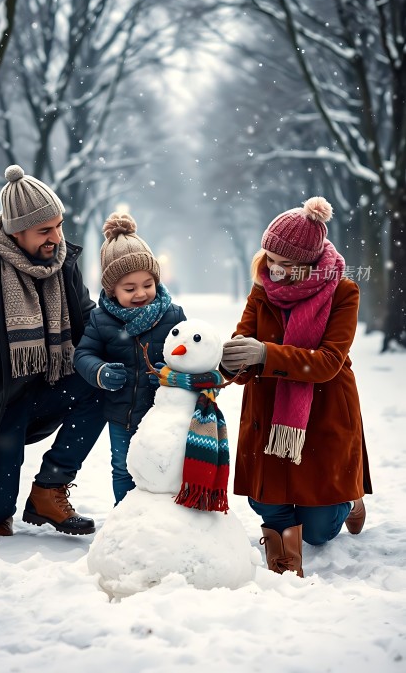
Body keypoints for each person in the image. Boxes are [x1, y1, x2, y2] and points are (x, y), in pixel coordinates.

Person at [220, 196, 372, 577]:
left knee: (319, 531)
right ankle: (281, 550)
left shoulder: (343, 292)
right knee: (267, 505)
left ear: (310, 262)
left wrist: (265, 355)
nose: (274, 269)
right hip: (269, 410)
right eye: (269, 258)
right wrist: (231, 360)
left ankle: (348, 501)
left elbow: (327, 362)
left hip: (322, 408)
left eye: (286, 263)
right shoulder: (262, 287)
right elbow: (245, 338)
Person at [0, 165, 103, 538]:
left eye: (58, 225)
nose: (57, 237)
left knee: (106, 380)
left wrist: (138, 339)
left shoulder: (61, 264)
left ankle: (49, 488)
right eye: (45, 230)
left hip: (42, 390)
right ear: (15, 231)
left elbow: (89, 324)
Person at [71, 212, 186, 505]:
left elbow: (191, 353)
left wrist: (174, 370)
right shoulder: (101, 319)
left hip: (165, 413)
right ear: (112, 289)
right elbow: (83, 354)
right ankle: (125, 515)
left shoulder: (173, 315)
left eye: (147, 284)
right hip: (122, 413)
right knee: (123, 467)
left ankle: (164, 519)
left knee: (166, 468)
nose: (141, 294)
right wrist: (99, 371)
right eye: (129, 288)